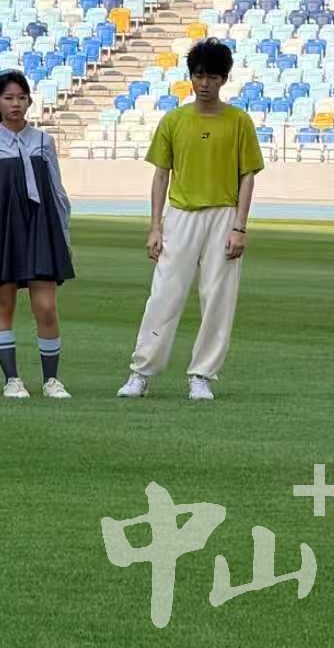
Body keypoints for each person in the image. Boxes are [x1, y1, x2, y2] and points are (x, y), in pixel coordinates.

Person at [118, 39, 263, 402]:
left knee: (218, 298)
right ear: (190, 77)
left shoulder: (239, 121)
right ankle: (141, 372)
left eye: (212, 76)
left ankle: (202, 375)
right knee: (164, 294)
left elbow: (247, 175)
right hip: (180, 214)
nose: (204, 83)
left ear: (224, 79)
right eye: (199, 75)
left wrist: (240, 226)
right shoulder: (174, 120)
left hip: (223, 214)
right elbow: (160, 175)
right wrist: (155, 226)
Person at [0, 71, 74, 400]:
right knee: (3, 303)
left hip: (41, 227)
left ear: (29, 101)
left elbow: (57, 191)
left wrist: (63, 238)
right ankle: (12, 379)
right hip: (2, 231)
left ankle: (52, 380)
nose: (15, 104)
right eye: (8, 98)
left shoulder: (43, 142)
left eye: (21, 98)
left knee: (46, 306)